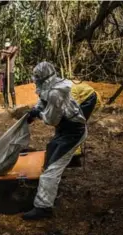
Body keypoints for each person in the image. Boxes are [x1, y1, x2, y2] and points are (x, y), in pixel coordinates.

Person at [23, 62, 87, 220]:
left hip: (73, 132)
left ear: (43, 79)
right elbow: (42, 100)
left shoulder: (56, 92)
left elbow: (51, 119)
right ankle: (49, 190)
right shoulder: (50, 88)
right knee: (50, 154)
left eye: (37, 78)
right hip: (65, 130)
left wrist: (38, 114)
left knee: (51, 171)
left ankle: (43, 207)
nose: (35, 80)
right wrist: (35, 110)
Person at [67, 82, 102, 167]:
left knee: (74, 125)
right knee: (70, 125)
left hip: (89, 99)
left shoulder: (70, 91)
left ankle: (75, 156)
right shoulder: (63, 90)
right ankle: (74, 154)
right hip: (87, 98)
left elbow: (74, 109)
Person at [0, 38, 19, 108]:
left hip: (10, 71)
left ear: (10, 42)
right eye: (6, 42)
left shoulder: (14, 48)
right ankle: (6, 103)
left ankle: (14, 104)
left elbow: (11, 53)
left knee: (11, 88)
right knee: (4, 89)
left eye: (8, 42)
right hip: (3, 72)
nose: (7, 43)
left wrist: (3, 51)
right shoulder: (3, 51)